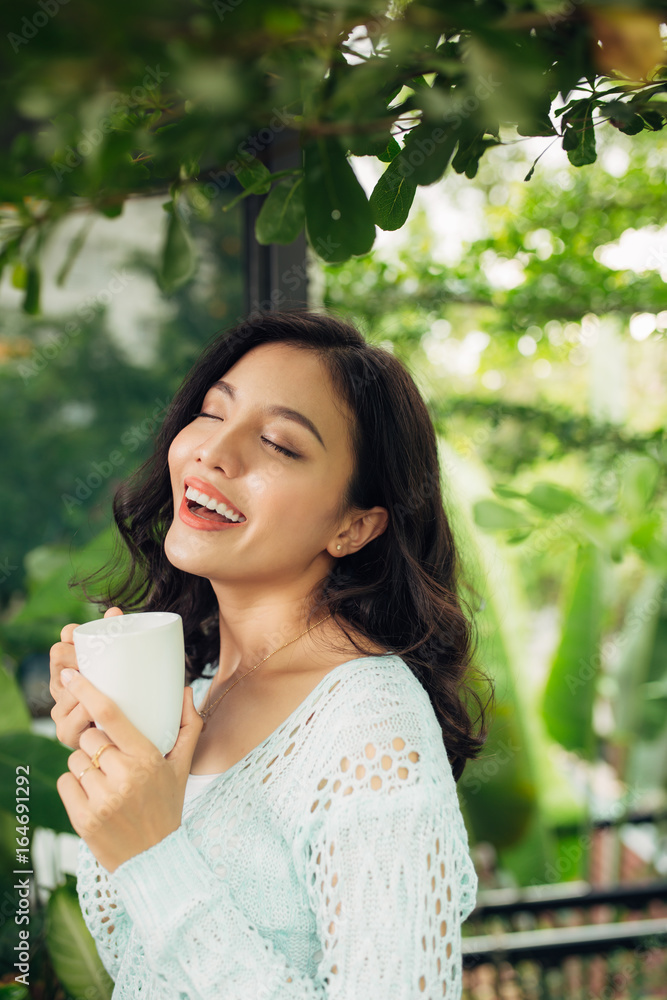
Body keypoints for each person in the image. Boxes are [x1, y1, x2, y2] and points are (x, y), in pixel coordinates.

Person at [50, 308, 493, 999]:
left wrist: (153, 859)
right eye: (210, 413)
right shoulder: (196, 690)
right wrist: (114, 752)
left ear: (354, 526)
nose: (214, 453)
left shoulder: (371, 733)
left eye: (281, 445)